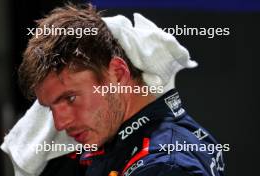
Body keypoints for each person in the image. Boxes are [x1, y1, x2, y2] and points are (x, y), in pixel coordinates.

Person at [18, 3, 225, 176]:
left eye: (70, 98)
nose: (60, 123)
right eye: (50, 108)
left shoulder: (164, 165)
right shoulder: (111, 138)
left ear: (117, 74)